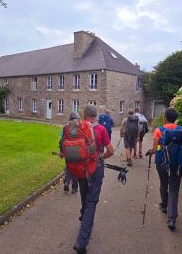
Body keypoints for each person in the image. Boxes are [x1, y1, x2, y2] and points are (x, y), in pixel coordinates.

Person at [73, 104, 114, 254]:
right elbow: (111, 151)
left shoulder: (77, 127)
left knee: (85, 196)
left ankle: (84, 218)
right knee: (92, 201)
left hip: (80, 168)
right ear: (95, 116)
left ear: (84, 115)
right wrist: (100, 157)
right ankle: (81, 242)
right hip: (95, 168)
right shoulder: (101, 129)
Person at [150, 107, 182, 230]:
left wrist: (154, 151)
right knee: (174, 188)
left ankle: (164, 205)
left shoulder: (159, 130)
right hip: (178, 163)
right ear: (175, 118)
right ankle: (172, 218)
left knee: (163, 182)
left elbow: (155, 147)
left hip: (162, 163)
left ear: (165, 118)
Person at [60, 112, 80, 194]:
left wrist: (61, 152)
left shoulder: (65, 127)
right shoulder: (80, 127)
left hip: (67, 151)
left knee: (68, 167)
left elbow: (61, 140)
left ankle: (67, 182)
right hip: (77, 151)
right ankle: (74, 188)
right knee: (76, 169)